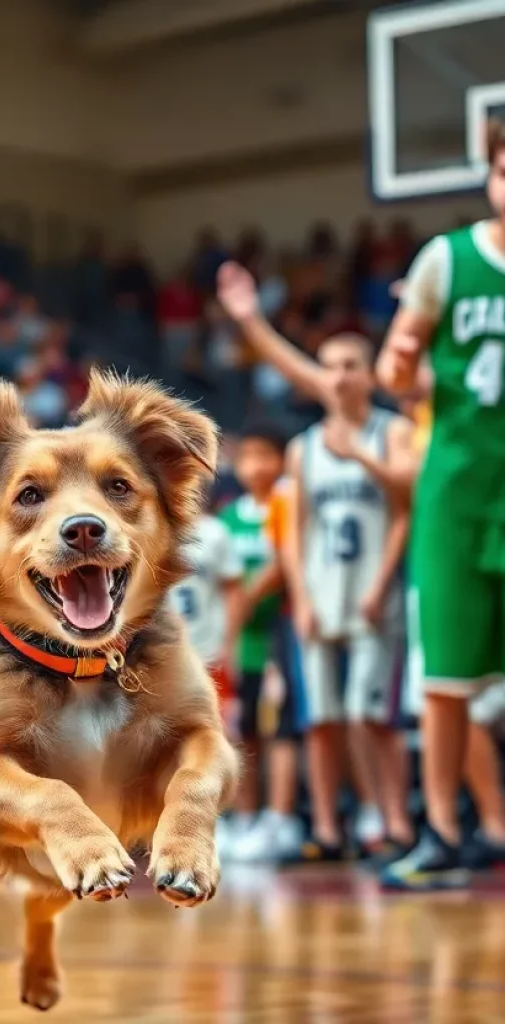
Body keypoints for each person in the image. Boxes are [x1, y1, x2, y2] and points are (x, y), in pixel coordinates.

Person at [217, 262, 414, 863]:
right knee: (322, 720)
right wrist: (299, 597)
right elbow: (294, 535)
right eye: (329, 365)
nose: (339, 375)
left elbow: (406, 505)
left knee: (369, 717)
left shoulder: (393, 431)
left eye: (351, 364)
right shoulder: (302, 450)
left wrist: (361, 458)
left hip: (374, 593)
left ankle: (394, 822)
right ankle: (328, 828)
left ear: (370, 373)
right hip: (320, 597)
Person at [376, 124, 505, 887]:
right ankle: (441, 830)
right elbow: (401, 366)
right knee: (447, 679)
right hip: (458, 489)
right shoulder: (446, 259)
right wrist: (398, 361)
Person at [217, 422, 304, 862]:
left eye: (264, 455)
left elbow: (286, 567)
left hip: (279, 636)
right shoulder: (228, 519)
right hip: (240, 643)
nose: (255, 466)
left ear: (282, 460)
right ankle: (246, 817)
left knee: (281, 729)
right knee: (243, 731)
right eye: (247, 456)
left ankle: (280, 817)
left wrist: (249, 596)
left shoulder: (289, 508)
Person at [168, 507, 242, 729]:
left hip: (209, 649)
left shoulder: (215, 532)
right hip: (162, 651)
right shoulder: (150, 528)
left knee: (216, 728)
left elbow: (234, 590)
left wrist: (230, 642)